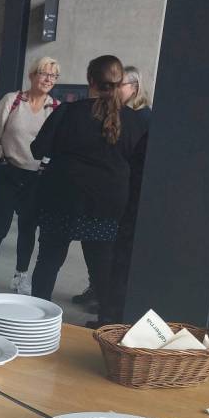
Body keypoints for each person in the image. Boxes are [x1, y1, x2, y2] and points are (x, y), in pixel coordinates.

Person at [29, 55, 148, 306]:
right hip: (108, 204)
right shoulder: (135, 121)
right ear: (120, 82)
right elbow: (139, 165)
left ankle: (37, 316)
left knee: (48, 262)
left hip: (62, 199)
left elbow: (38, 149)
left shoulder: (67, 112)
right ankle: (106, 321)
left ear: (90, 80)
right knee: (102, 266)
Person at [0, 57, 61, 296]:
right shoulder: (12, 101)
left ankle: (21, 276)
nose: (48, 79)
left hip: (37, 178)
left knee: (28, 230)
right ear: (32, 75)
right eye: (44, 74)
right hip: (8, 173)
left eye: (53, 76)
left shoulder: (55, 108)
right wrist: (0, 158)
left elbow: (58, 145)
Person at [75, 65, 152, 318]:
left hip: (125, 197)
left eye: (120, 85)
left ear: (135, 87)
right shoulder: (114, 113)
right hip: (104, 193)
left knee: (111, 254)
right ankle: (98, 292)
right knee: (95, 246)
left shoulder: (143, 118)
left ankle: (108, 306)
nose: (115, 90)